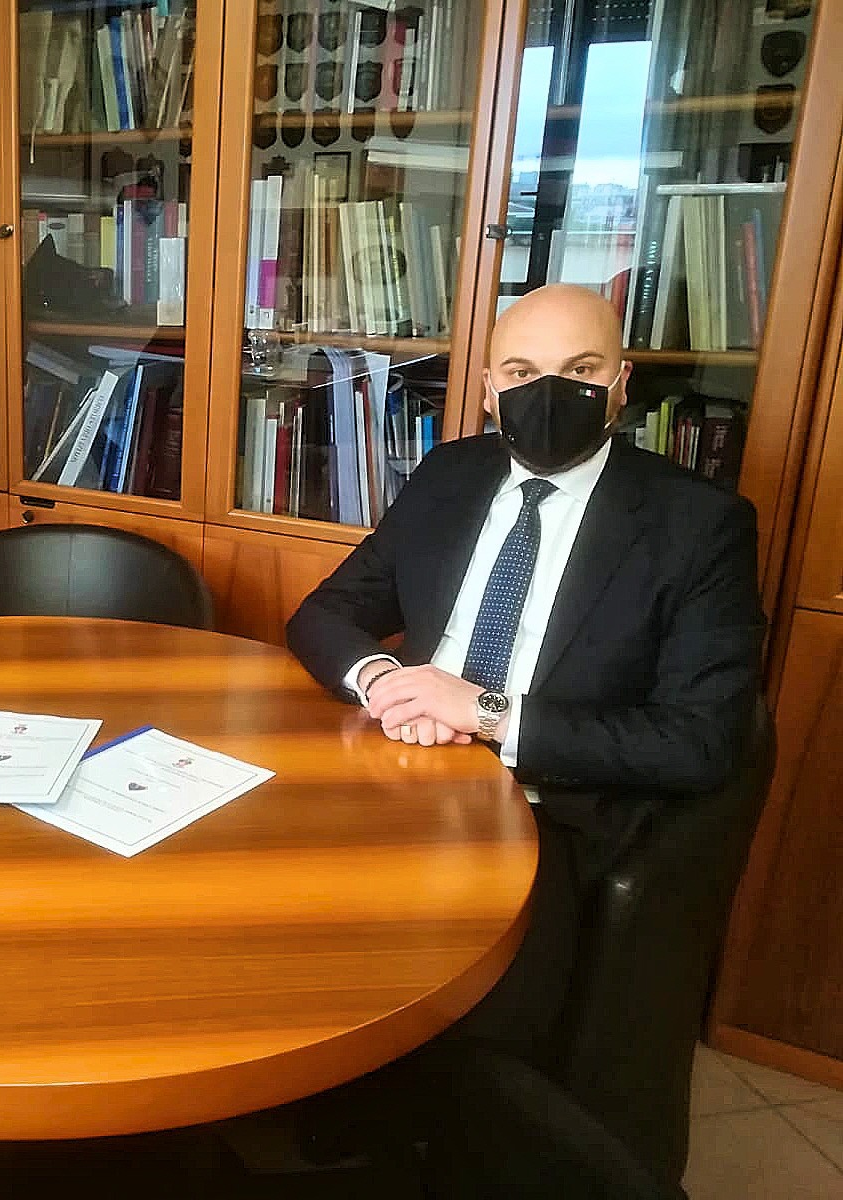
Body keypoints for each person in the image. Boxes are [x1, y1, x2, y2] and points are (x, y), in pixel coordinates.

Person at [283, 284, 764, 1186]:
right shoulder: (449, 475)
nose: (549, 393)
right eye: (520, 371)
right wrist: (385, 682)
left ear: (621, 383)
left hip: (547, 817)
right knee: (275, 932)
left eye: (580, 370)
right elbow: (325, 614)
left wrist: (484, 711)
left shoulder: (697, 525)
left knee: (468, 1025)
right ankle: (317, 1130)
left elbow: (701, 743)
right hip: (402, 776)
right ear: (487, 389)